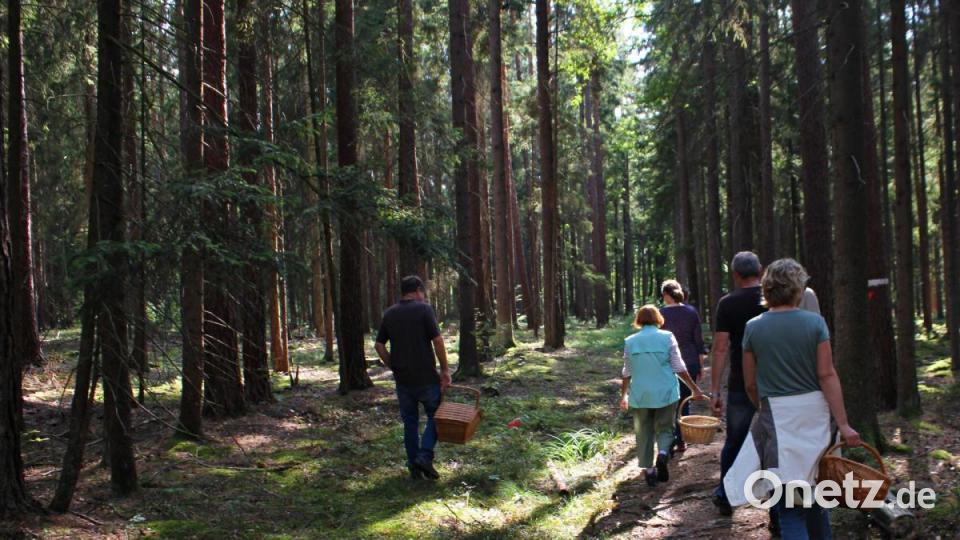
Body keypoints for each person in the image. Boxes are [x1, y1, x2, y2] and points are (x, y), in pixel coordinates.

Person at [723, 259, 861, 539]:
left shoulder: (754, 327)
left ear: (768, 289)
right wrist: (844, 424)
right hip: (817, 416)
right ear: (798, 288)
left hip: (777, 418)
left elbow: (750, 382)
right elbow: (827, 375)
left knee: (789, 506)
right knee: (818, 499)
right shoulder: (815, 323)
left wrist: (762, 407)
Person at [375, 275, 451, 481]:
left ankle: (414, 468)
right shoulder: (424, 309)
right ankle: (424, 456)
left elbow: (379, 345)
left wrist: (393, 365)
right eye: (423, 292)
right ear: (418, 290)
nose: (424, 296)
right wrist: (445, 370)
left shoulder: (390, 313)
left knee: (410, 423)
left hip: (403, 380)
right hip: (426, 377)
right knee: (435, 416)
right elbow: (438, 341)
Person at [709, 251, 767, 516]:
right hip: (775, 383)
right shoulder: (774, 299)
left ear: (735, 275)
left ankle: (725, 495)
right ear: (760, 270)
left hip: (740, 383)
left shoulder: (728, 303)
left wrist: (715, 390)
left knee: (734, 440)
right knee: (774, 444)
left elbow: (720, 348)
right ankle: (778, 512)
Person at [620, 305, 704, 487]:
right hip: (666, 392)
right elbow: (679, 367)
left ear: (639, 320)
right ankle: (663, 454)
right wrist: (694, 388)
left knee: (643, 431)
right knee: (665, 428)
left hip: (640, 395)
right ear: (658, 318)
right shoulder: (667, 337)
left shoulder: (630, 341)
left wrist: (624, 395)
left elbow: (627, 372)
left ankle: (649, 470)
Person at [658, 279, 706, 454]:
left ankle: (667, 440)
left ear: (665, 294)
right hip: (690, 361)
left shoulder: (660, 313)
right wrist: (700, 366)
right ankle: (681, 440)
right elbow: (698, 341)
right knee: (684, 402)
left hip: (666, 363)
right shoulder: (691, 312)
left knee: (667, 402)